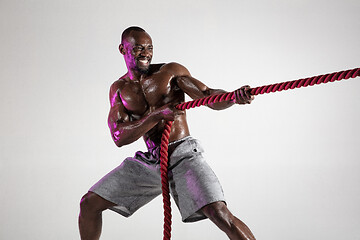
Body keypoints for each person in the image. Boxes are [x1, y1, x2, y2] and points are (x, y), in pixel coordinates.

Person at [78, 26, 256, 240]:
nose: (146, 53)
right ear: (122, 49)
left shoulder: (170, 72)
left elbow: (208, 95)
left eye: (149, 48)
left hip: (184, 154)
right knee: (89, 204)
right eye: (138, 48)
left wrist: (234, 97)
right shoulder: (119, 89)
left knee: (219, 213)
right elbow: (119, 136)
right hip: (152, 160)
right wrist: (155, 116)